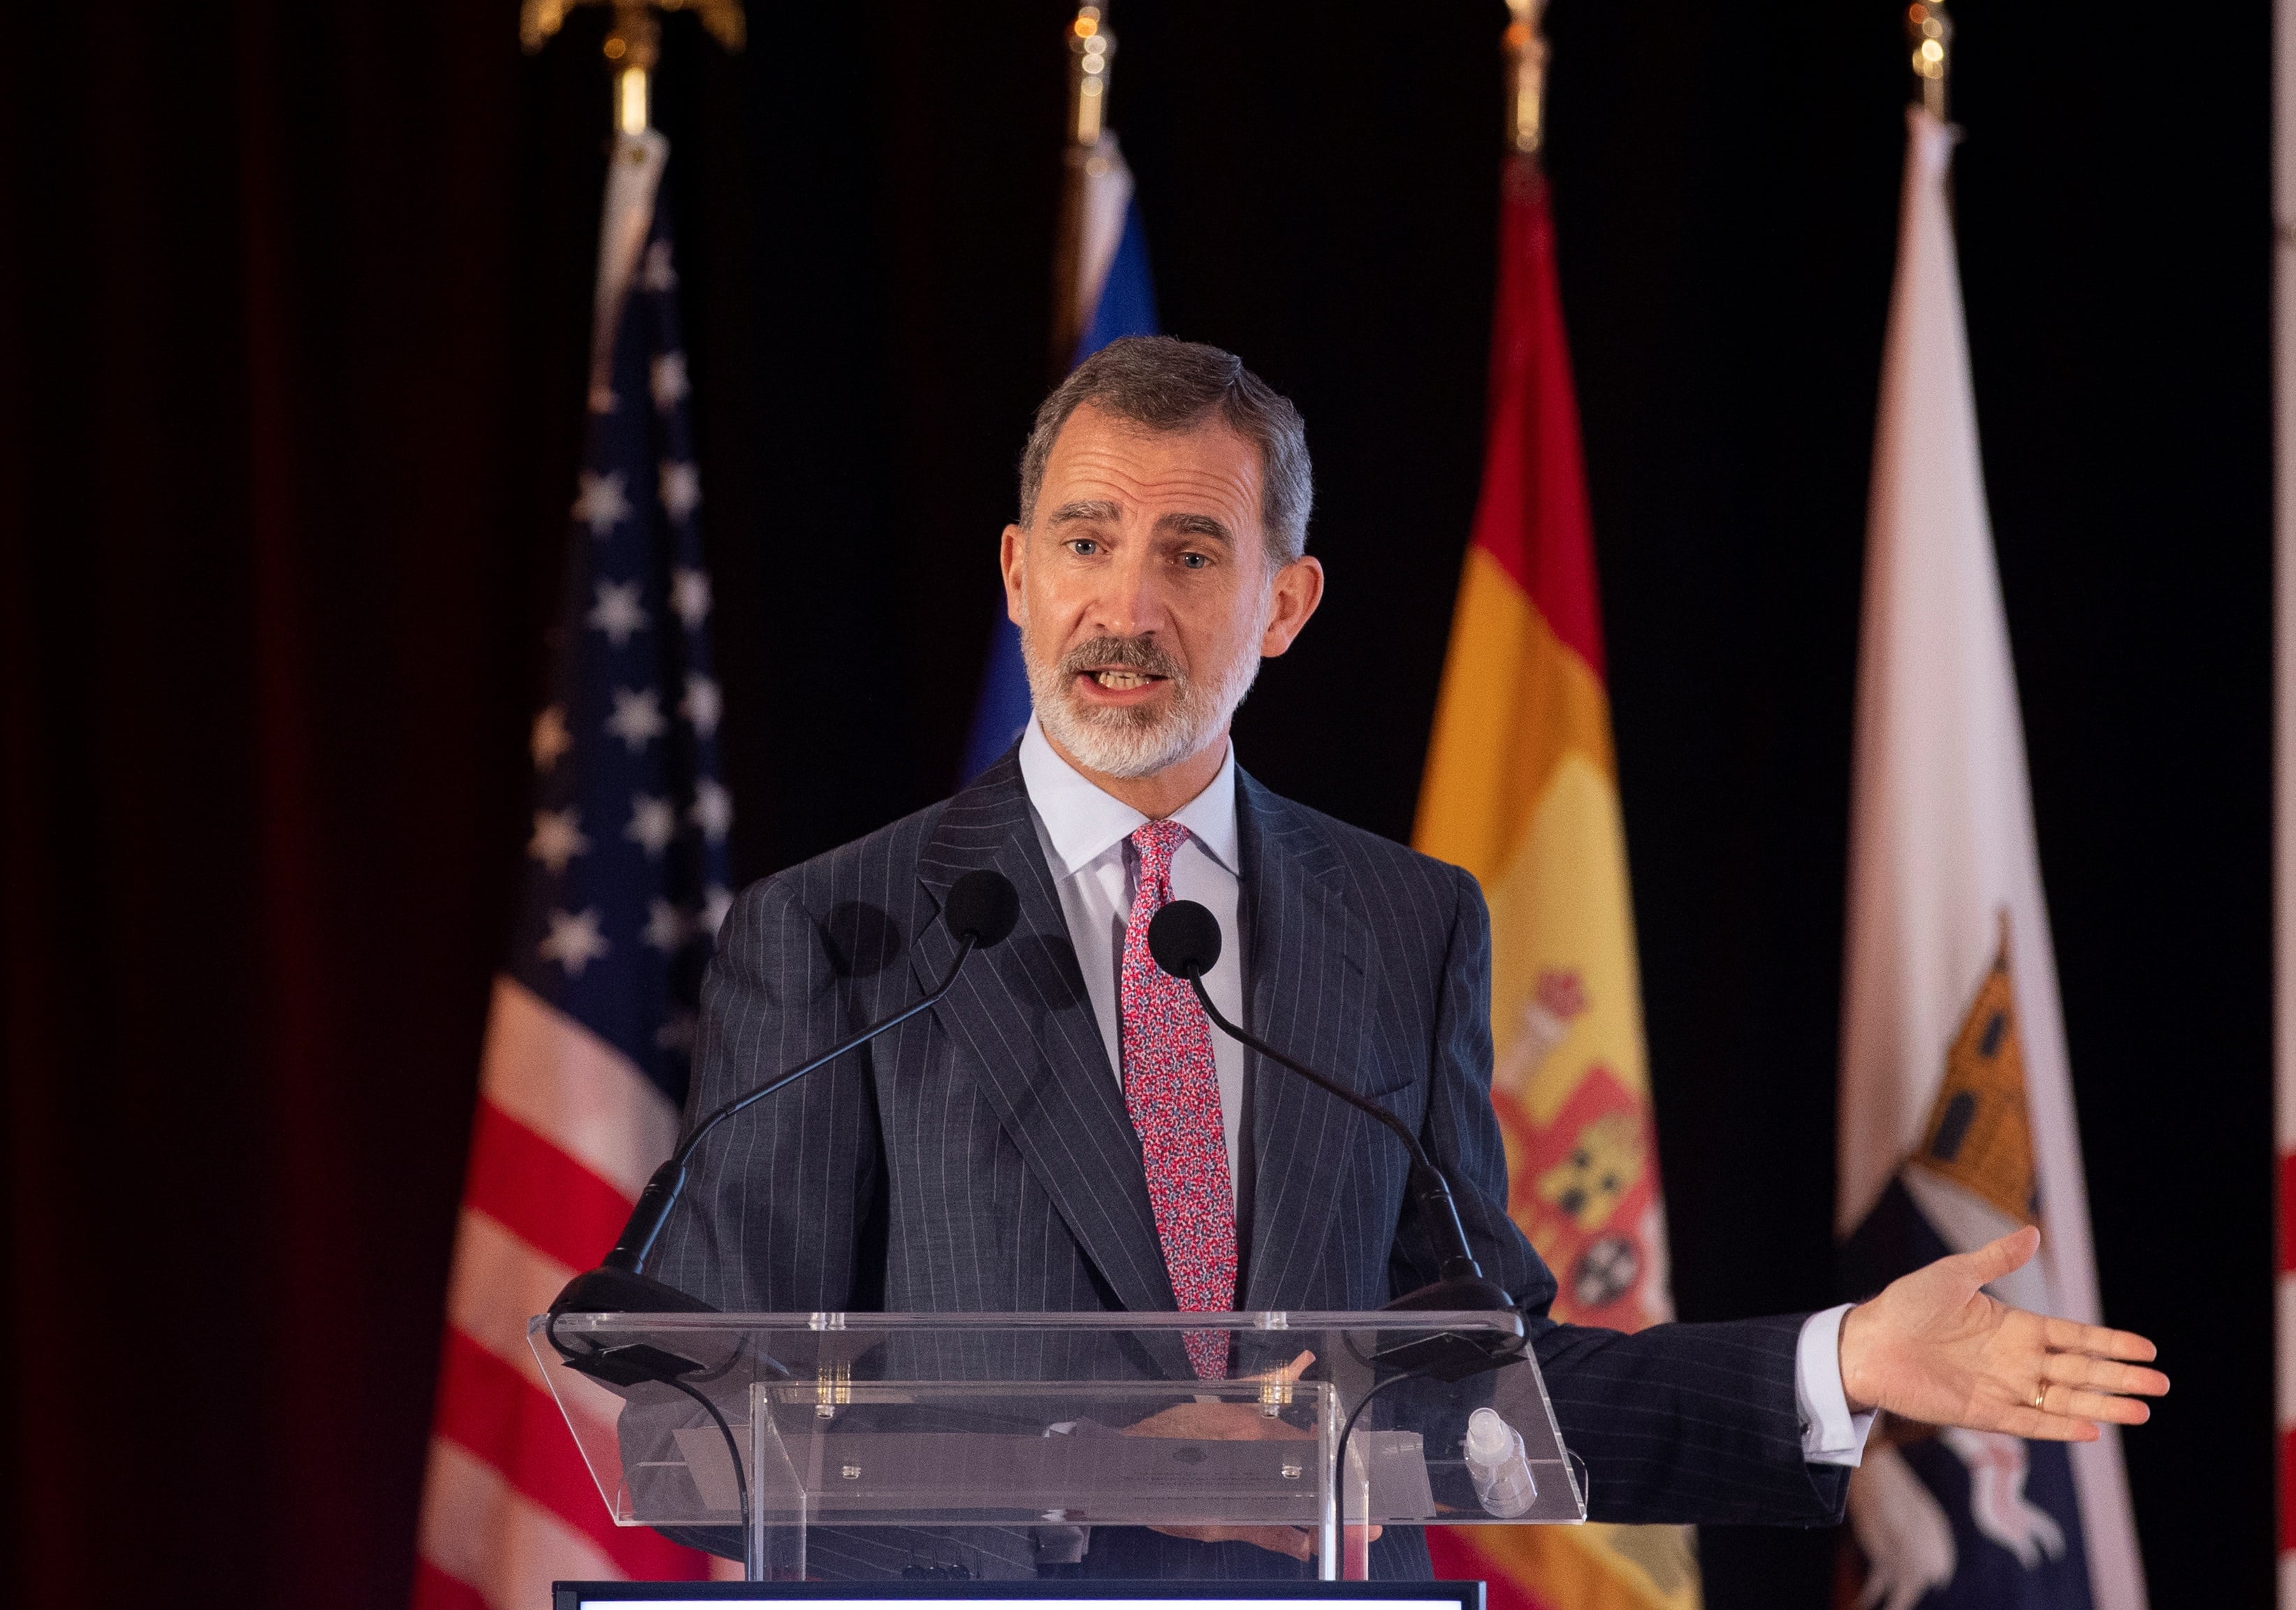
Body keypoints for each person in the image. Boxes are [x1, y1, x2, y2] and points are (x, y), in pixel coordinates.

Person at [651, 335, 2165, 1579]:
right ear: (1014, 576)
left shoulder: (1400, 923)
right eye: (1084, 541)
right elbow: (707, 1440)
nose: (1124, 604)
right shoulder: (835, 933)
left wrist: (1835, 1365)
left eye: (1190, 551)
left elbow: (1471, 1383)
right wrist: (1092, 1466)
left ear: (1283, 603)